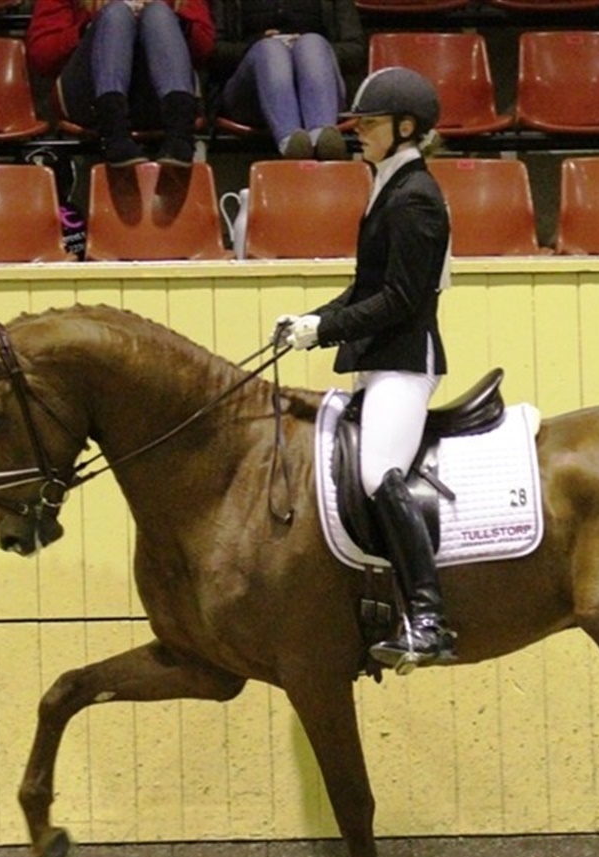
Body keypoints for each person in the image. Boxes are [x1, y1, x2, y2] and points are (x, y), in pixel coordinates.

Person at [275, 67, 457, 672]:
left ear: (406, 128)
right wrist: (313, 320)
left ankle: (428, 619)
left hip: (405, 363)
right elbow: (366, 287)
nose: (358, 132)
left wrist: (327, 330)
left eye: (370, 123)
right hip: (379, 362)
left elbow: (402, 298)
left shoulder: (415, 196)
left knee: (380, 473)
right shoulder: (389, 186)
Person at [26, 0, 215, 167]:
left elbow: (205, 50)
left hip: (157, 100)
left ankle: (180, 136)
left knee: (158, 12)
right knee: (116, 14)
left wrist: (178, 24)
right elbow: (42, 57)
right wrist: (90, 27)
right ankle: (114, 132)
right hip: (90, 98)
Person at [209, 0, 366, 160]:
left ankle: (321, 139)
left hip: (321, 87)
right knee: (270, 49)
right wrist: (256, 43)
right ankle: (292, 144)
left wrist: (304, 52)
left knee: (311, 44)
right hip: (251, 96)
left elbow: (356, 49)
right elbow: (215, 50)